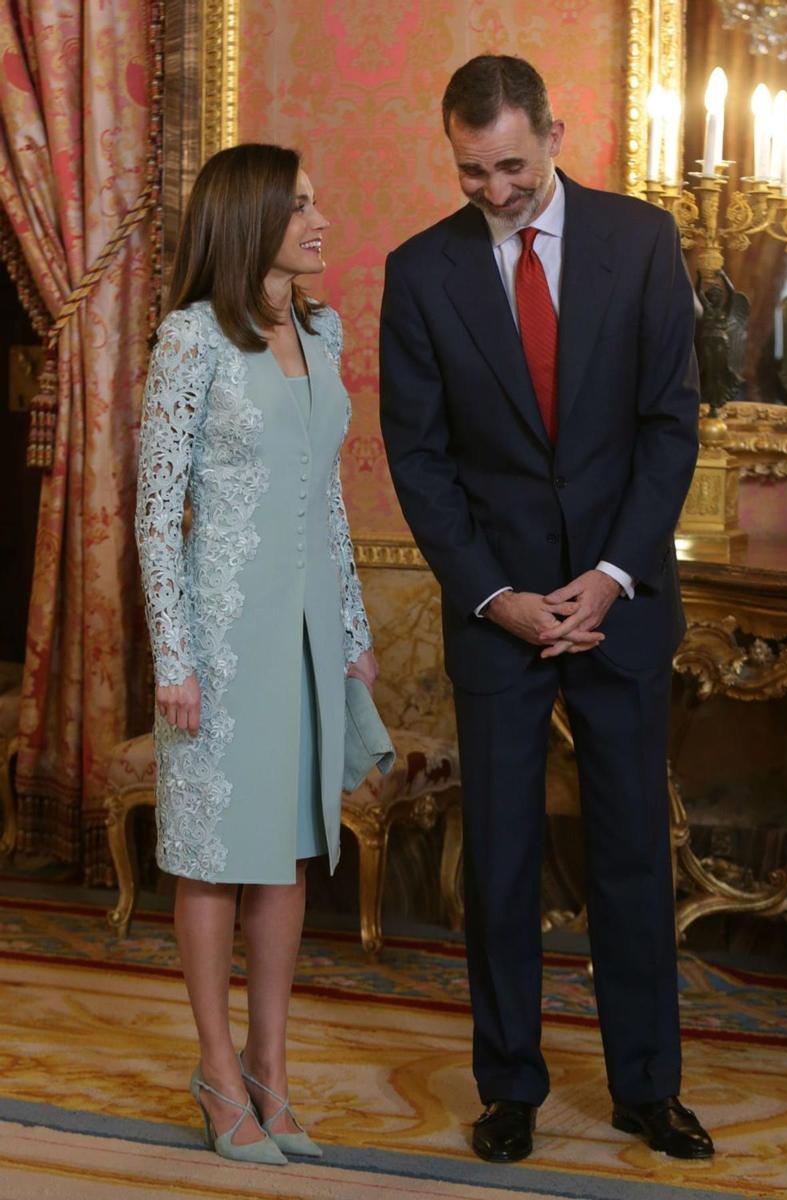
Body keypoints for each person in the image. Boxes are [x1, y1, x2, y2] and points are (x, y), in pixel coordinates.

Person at [379, 55, 712, 1165]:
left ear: (554, 135)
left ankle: (645, 1088)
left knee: (627, 853)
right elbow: (418, 462)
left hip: (618, 603)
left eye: (510, 165)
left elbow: (669, 424)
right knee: (504, 858)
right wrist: (495, 596)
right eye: (470, 171)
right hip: (497, 613)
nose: (492, 189)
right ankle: (507, 1085)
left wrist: (612, 574)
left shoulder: (641, 240)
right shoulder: (418, 272)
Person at [136, 143, 377, 1164]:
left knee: (285, 855)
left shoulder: (319, 330)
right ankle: (215, 1072)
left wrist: (355, 634)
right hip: (222, 640)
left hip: (309, 630)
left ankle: (272, 1073)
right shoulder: (190, 340)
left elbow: (327, 497)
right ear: (254, 223)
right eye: (303, 208)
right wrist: (173, 659)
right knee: (213, 861)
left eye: (318, 203)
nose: (322, 222)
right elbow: (155, 512)